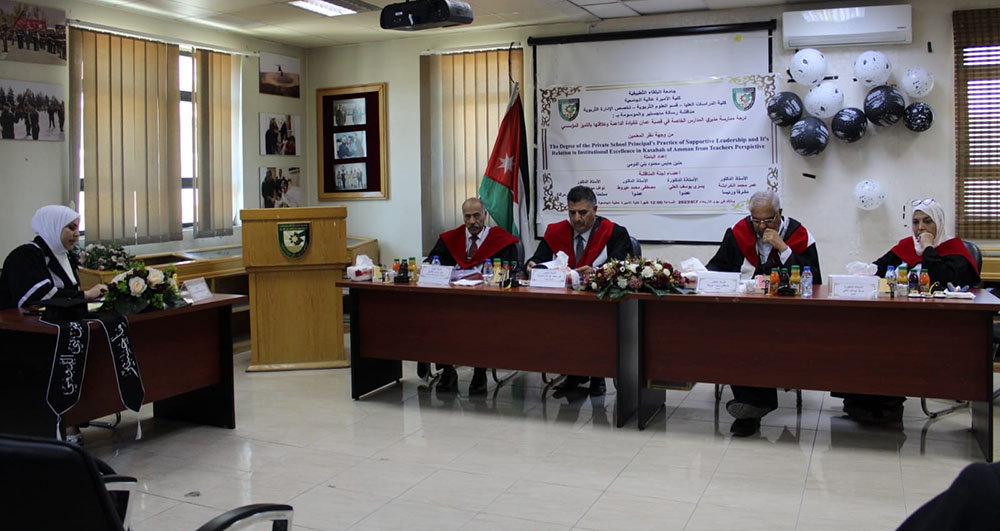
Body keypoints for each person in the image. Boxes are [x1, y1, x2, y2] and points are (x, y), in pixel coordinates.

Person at [836, 198, 980, 424]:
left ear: (939, 223)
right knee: (862, 333)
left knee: (891, 342)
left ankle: (887, 404)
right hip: (901, 317)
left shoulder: (955, 251)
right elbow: (878, 268)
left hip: (939, 323)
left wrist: (929, 248)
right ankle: (861, 401)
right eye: (915, 222)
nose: (920, 228)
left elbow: (942, 279)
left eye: (927, 221)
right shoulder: (905, 248)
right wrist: (864, 272)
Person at [706, 190, 822, 437]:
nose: (761, 226)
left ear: (780, 214)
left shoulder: (799, 235)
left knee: (763, 337)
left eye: (768, 220)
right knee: (733, 337)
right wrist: (702, 275)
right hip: (743, 309)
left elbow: (813, 279)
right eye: (756, 220)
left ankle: (754, 405)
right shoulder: (738, 233)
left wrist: (784, 248)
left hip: (785, 314)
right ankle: (751, 405)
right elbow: (718, 265)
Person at [526, 185, 633, 396]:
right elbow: (538, 260)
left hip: (600, 303)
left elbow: (623, 267)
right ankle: (572, 372)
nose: (577, 218)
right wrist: (530, 265)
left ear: (595, 209)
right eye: (572, 212)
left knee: (593, 322)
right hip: (563, 303)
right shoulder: (556, 233)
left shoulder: (614, 233)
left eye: (583, 212)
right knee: (559, 323)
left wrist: (596, 273)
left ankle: (597, 376)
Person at [420, 197, 519, 395]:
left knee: (480, 323)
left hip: (487, 302)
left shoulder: (502, 241)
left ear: (485, 215)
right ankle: (447, 370)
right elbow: (432, 262)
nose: (472, 221)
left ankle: (479, 371)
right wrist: (429, 266)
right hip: (452, 300)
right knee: (438, 320)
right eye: (467, 217)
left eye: (476, 216)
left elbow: (512, 272)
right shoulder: (450, 239)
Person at [0, 205, 107, 309]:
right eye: (71, 228)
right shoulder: (25, 255)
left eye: (77, 229)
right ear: (53, 226)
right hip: (18, 319)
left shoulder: (66, 254)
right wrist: (86, 295)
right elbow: (38, 296)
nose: (77, 234)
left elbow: (71, 290)